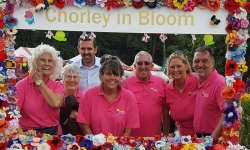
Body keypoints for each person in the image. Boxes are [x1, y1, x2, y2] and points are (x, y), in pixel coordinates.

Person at [77, 55, 140, 136]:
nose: (112, 78)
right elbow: (85, 126)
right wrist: (96, 144)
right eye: (108, 74)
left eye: (116, 75)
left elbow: (128, 131)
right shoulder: (88, 95)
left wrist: (117, 147)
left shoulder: (129, 97)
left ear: (121, 77)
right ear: (101, 76)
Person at [16, 44, 64, 136]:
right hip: (29, 134)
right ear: (35, 62)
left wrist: (39, 82)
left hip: (53, 135)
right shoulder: (21, 85)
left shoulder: (58, 85)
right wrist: (22, 136)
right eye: (42, 60)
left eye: (50, 61)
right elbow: (13, 116)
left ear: (54, 65)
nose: (47, 63)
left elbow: (56, 103)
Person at [122, 51, 169, 137]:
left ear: (151, 66)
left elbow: (165, 110)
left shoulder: (161, 83)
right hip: (131, 139)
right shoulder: (125, 84)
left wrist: (165, 134)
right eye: (139, 63)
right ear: (135, 66)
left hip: (155, 138)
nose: (143, 66)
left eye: (146, 63)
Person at [192, 46, 225, 138]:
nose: (200, 64)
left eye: (204, 61)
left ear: (212, 63)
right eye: (196, 61)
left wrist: (211, 139)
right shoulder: (198, 81)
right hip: (200, 138)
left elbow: (227, 114)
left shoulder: (220, 84)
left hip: (213, 139)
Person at [165, 51, 199, 136]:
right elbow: (165, 113)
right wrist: (165, 136)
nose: (175, 70)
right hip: (183, 136)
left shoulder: (198, 81)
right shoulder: (168, 89)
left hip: (203, 134)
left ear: (186, 66)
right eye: (172, 67)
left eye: (179, 66)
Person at [60, 64, 83, 135]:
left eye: (75, 77)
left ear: (79, 80)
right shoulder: (56, 94)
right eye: (69, 76)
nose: (72, 80)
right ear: (62, 78)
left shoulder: (85, 97)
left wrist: (77, 116)